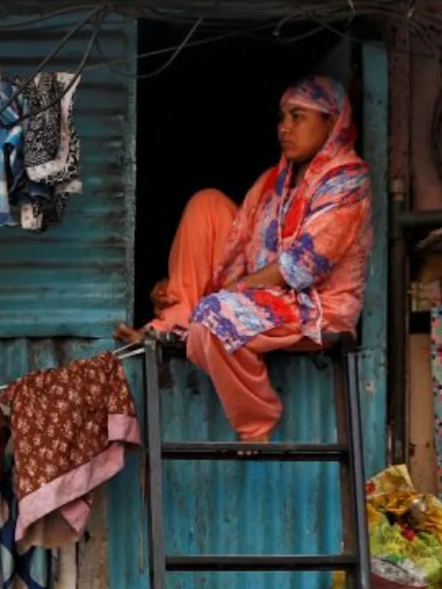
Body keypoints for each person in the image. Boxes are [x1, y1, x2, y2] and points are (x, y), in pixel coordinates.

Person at [117, 76, 373, 441]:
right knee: (206, 205)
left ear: (331, 122)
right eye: (282, 117)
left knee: (212, 319)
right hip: (262, 292)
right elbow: (239, 248)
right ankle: (175, 317)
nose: (284, 128)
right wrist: (181, 283)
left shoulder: (347, 179)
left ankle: (256, 422)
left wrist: (235, 290)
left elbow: (302, 266)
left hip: (316, 306)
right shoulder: (275, 179)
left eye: (297, 116)